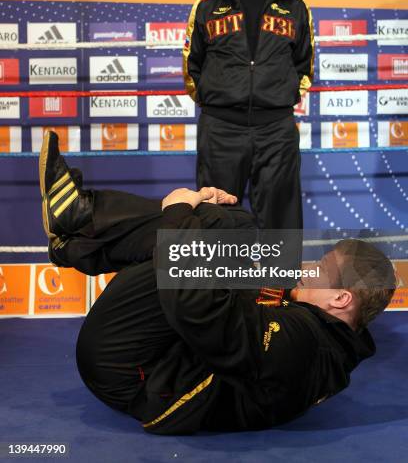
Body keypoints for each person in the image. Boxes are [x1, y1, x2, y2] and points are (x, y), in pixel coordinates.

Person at [39, 131, 396, 435]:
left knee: (211, 230)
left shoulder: (303, 341)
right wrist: (211, 217)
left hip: (135, 374)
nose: (307, 267)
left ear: (340, 298)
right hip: (168, 357)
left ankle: (79, 229)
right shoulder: (320, 326)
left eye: (321, 267)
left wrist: (178, 214)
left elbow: (195, 308)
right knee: (231, 223)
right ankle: (76, 232)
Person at [183, 0, 315, 230]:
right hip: (221, 130)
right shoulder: (208, 4)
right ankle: (221, 281)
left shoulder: (295, 6)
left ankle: (279, 280)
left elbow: (304, 65)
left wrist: (279, 100)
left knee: (280, 218)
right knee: (215, 217)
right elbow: (192, 64)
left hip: (276, 131)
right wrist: (217, 101)